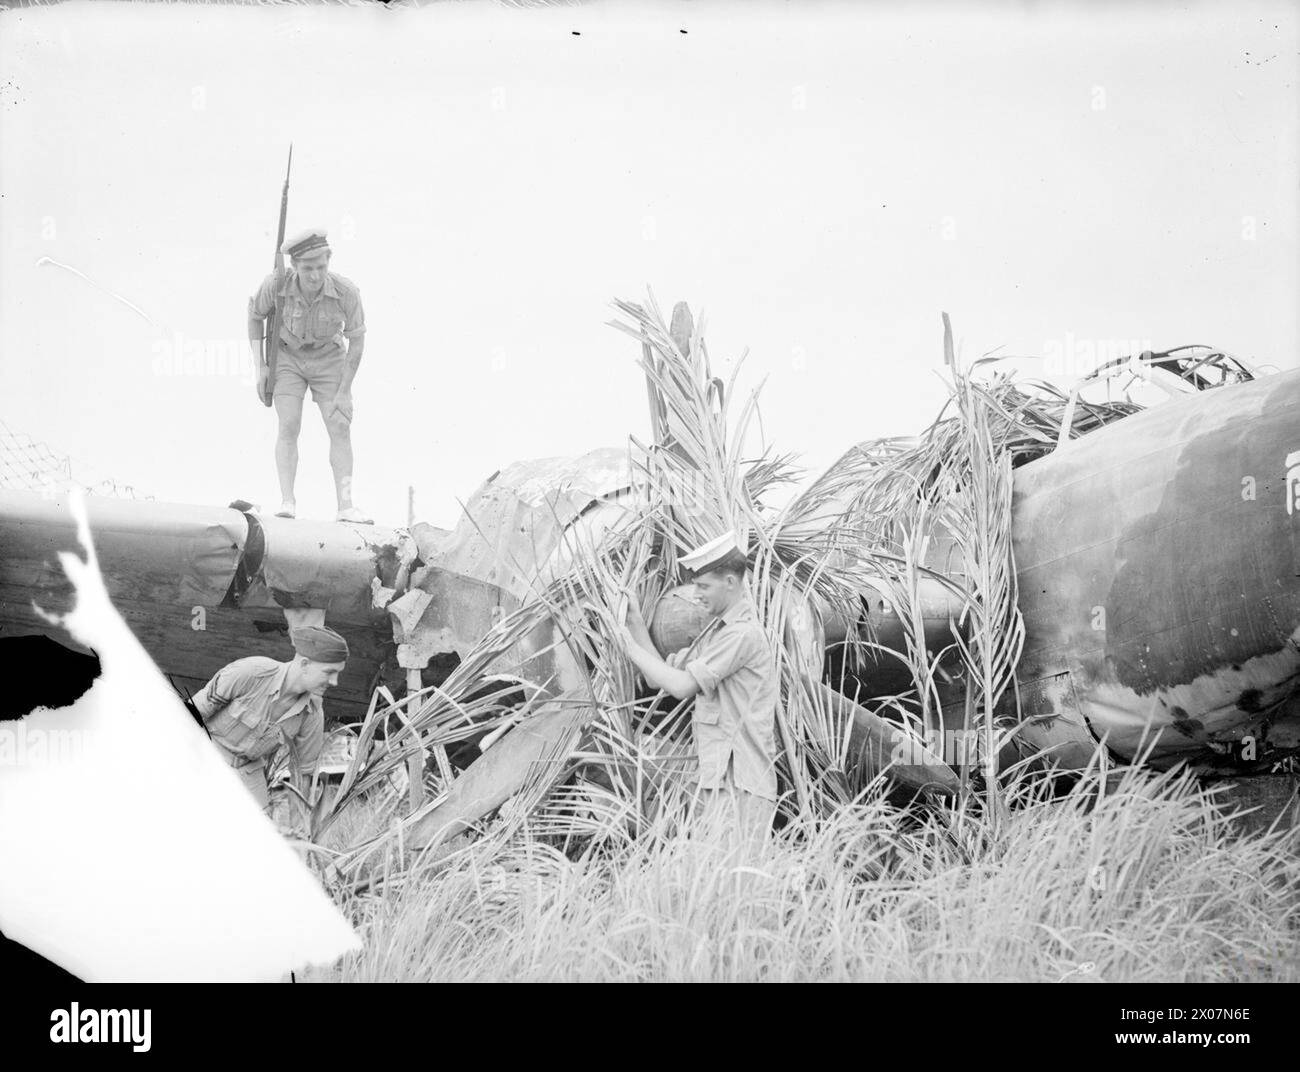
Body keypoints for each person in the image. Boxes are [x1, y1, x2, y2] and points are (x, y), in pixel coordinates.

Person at [616, 530, 778, 843]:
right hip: (719, 782)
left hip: (741, 787)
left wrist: (627, 646)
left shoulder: (741, 635)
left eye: (704, 586)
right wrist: (634, 622)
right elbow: (658, 677)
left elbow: (682, 687)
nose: (697, 594)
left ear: (730, 583)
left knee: (735, 887)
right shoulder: (716, 636)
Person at [247, 227, 371, 523]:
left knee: (340, 426)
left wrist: (345, 390)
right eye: (307, 268)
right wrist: (260, 367)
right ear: (294, 266)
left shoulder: (346, 291)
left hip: (329, 358)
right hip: (287, 357)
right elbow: (255, 316)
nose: (315, 275)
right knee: (289, 424)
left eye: (321, 267)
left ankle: (346, 506)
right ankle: (287, 502)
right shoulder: (276, 284)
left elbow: (357, 340)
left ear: (329, 262)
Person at [192, 626, 348, 811]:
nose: (334, 682)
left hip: (248, 771)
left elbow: (302, 776)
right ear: (305, 664)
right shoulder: (251, 673)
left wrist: (298, 831)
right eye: (329, 672)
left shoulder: (312, 713)